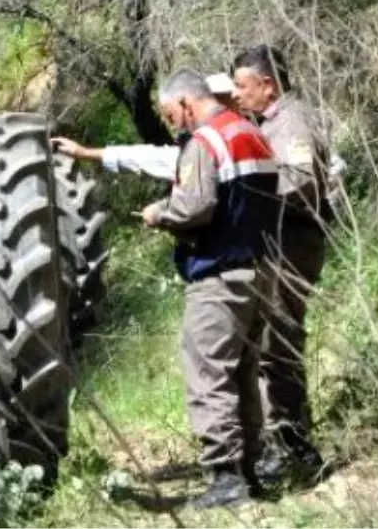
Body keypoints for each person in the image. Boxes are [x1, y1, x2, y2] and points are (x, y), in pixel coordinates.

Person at [137, 67, 279, 508]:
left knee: (208, 373)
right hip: (262, 270)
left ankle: (225, 478)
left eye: (169, 114)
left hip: (219, 276)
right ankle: (252, 468)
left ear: (185, 103)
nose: (171, 123)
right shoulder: (250, 132)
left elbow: (195, 206)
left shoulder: (205, 142)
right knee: (243, 373)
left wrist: (159, 213)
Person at [230, 43, 331, 485]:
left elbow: (303, 181)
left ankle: (297, 451)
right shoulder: (272, 120)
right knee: (271, 345)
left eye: (242, 86)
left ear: (267, 86)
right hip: (280, 244)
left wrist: (250, 195)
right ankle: (289, 446)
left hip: (293, 244)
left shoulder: (291, 121)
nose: (236, 94)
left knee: (279, 344)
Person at [52, 73, 347, 185]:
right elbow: (153, 158)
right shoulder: (207, 146)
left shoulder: (274, 128)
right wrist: (87, 153)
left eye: (227, 98)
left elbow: (329, 169)